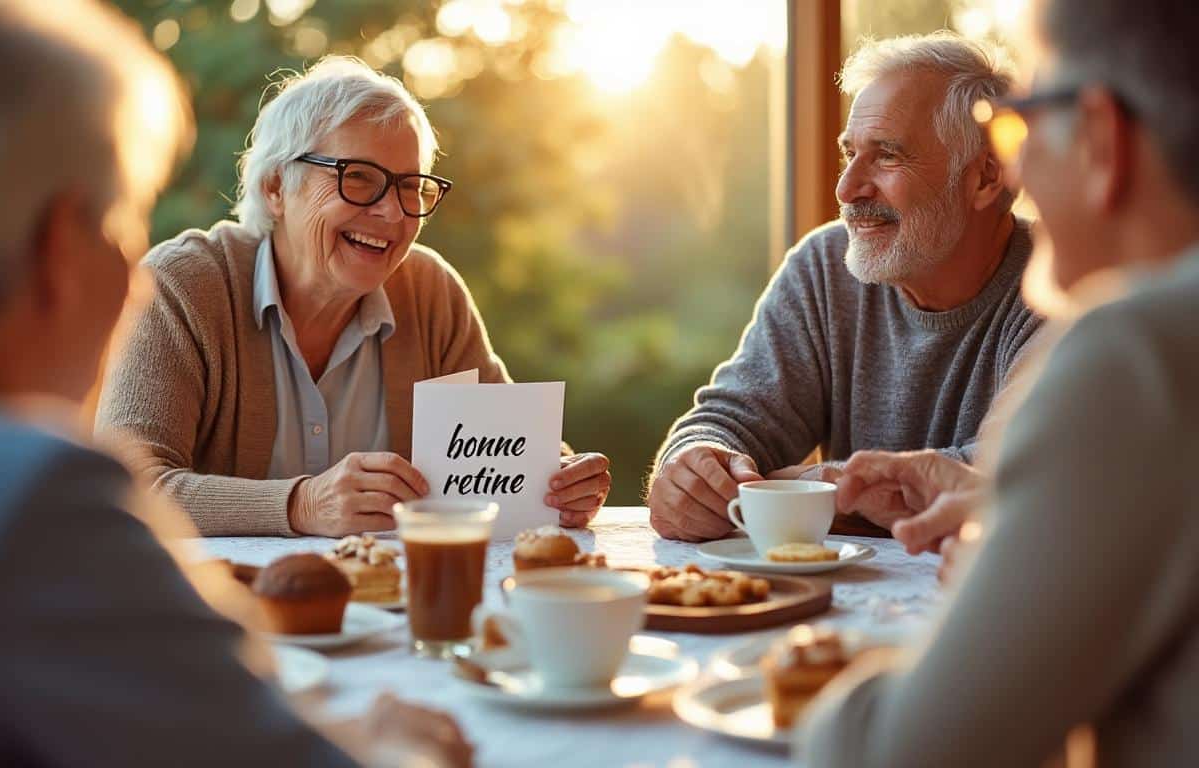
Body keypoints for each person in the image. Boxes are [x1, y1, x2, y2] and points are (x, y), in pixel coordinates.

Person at [0, 1, 470, 765]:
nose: (134, 280)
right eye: (121, 221)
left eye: (408, 187)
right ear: (57, 245)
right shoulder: (26, 500)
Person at [800, 1, 1199, 765]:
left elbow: (899, 754)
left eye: (1020, 122)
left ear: (1102, 140)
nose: (1014, 169)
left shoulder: (1137, 354)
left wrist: (813, 681)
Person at [95, 56, 610, 538]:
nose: (393, 214)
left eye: (411, 186)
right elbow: (123, 489)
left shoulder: (431, 293)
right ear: (276, 187)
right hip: (221, 615)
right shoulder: (182, 287)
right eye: (358, 178)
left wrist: (560, 480)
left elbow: (508, 456)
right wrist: (302, 504)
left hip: (397, 612)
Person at [646, 33, 1043, 542]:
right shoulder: (824, 267)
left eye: (887, 156)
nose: (846, 188)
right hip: (844, 612)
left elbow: (1009, 476)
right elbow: (731, 419)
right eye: (849, 153)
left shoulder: (1063, 285)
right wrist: (694, 464)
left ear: (987, 178)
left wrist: (816, 484)